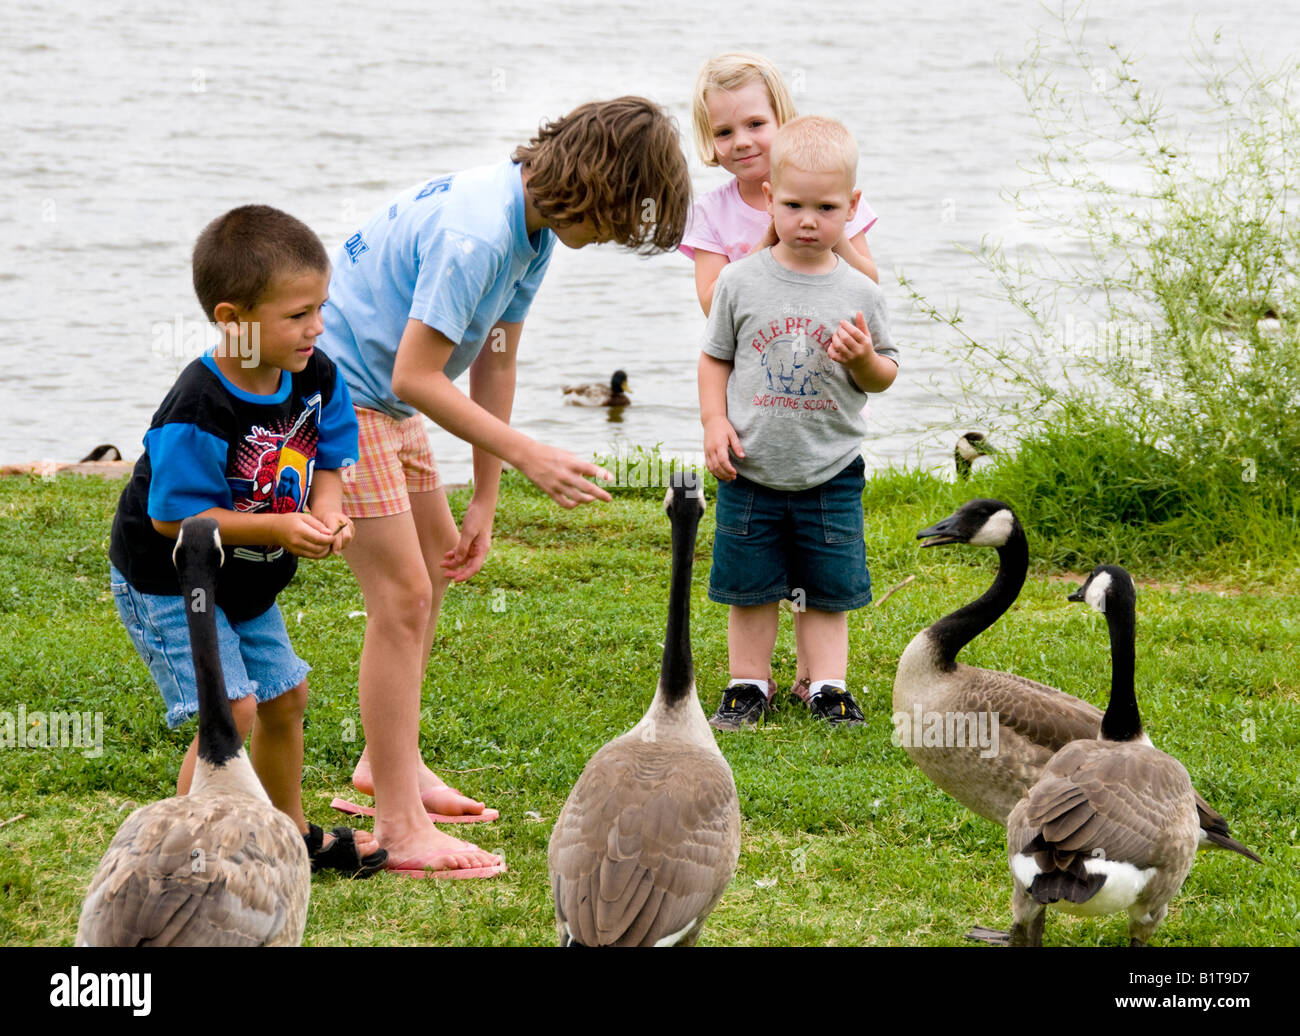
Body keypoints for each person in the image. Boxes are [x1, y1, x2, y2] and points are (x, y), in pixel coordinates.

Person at [322, 97, 691, 876]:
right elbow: (416, 373)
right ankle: (397, 824)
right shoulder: (479, 232)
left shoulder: (531, 226)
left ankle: (386, 763)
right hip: (339, 395)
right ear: (598, 186)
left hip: (383, 397)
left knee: (438, 559)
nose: (617, 237)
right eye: (623, 219)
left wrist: (485, 494)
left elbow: (494, 358)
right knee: (402, 597)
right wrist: (528, 454)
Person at [108, 205, 386, 876]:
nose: (316, 327)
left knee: (284, 696)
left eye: (321, 307)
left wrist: (327, 513)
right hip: (171, 581)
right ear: (232, 319)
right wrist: (278, 527)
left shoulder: (316, 375)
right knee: (229, 707)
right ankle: (179, 861)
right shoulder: (199, 406)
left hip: (249, 578)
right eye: (297, 315)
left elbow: (330, 459)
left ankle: (284, 838)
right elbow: (176, 519)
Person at [683, 52, 881, 710]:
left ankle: (822, 681)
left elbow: (867, 292)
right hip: (756, 423)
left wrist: (821, 233)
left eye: (755, 124)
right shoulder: (718, 219)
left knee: (826, 572)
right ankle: (749, 680)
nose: (741, 142)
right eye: (723, 131)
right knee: (750, 573)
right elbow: (717, 311)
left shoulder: (827, 207)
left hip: (823, 435)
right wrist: (773, 254)